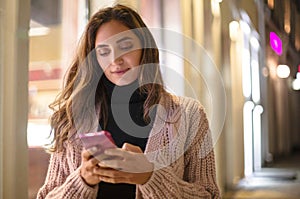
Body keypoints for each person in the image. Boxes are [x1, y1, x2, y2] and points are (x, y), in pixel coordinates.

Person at [37, 4, 220, 199]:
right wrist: (83, 180)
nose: (115, 59)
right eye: (104, 51)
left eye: (125, 46)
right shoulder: (74, 116)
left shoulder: (189, 114)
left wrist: (149, 177)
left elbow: (209, 195)